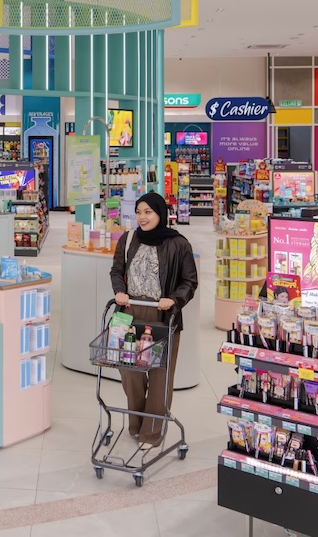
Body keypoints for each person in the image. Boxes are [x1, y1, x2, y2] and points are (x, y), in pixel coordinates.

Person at [109, 191, 198, 446]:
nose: (142, 217)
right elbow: (117, 270)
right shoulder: (128, 239)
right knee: (130, 372)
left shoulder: (178, 244)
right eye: (139, 212)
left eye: (148, 212)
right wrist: (120, 291)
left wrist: (174, 299)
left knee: (160, 375)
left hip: (162, 315)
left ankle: (152, 432)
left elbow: (189, 281)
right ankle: (137, 424)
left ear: (160, 214)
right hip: (129, 313)